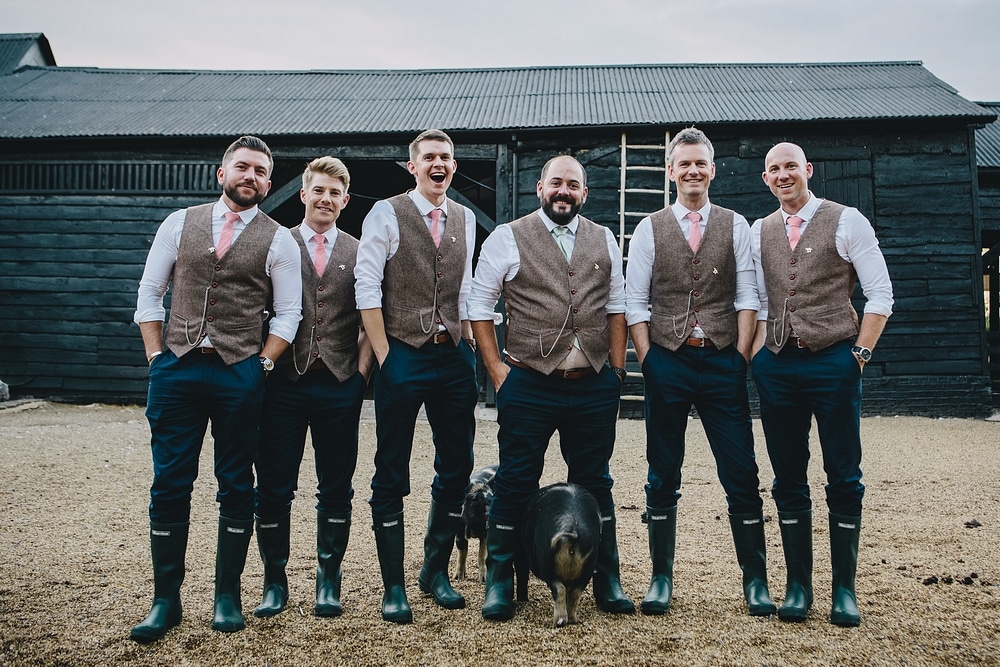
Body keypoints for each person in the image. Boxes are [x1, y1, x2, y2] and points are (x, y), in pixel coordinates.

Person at [130, 135, 303, 642]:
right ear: (221, 174)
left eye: (260, 172)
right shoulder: (179, 222)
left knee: (236, 483)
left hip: (238, 373)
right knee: (169, 484)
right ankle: (166, 600)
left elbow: (289, 311)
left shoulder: (278, 239)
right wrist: (156, 356)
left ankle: (226, 594)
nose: (250, 177)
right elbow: (149, 291)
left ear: (269, 184)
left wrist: (262, 365)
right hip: (177, 369)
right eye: (242, 168)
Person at [469, 154, 634, 622]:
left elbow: (617, 306)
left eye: (573, 185)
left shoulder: (603, 237)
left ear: (584, 193)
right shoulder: (508, 236)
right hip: (530, 382)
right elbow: (479, 305)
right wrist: (498, 370)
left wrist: (617, 371)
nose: (564, 191)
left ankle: (607, 578)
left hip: (593, 384)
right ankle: (499, 579)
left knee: (596, 480)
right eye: (556, 183)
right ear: (540, 188)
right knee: (517, 478)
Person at [625, 128, 775, 617]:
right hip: (667, 359)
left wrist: (742, 356)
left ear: (712, 169)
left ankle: (755, 582)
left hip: (722, 363)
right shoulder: (649, 227)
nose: (692, 171)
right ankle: (660, 579)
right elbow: (635, 300)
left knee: (741, 471)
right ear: (671, 171)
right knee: (662, 470)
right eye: (684, 164)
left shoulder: (737, 226)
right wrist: (648, 359)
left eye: (700, 164)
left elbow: (750, 296)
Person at [750, 142, 893, 627]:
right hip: (776, 366)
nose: (784, 175)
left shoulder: (847, 219)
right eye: (775, 169)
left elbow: (881, 294)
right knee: (788, 476)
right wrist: (755, 358)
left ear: (807, 170)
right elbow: (758, 299)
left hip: (834, 360)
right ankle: (797, 588)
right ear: (766, 179)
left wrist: (859, 356)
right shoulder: (759, 230)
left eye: (791, 166)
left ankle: (844, 591)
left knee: (843, 473)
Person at [353, 129, 479, 624]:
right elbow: (366, 284)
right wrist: (384, 354)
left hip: (452, 357)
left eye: (446, 158)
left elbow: (465, 287)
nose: (439, 164)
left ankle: (435, 569)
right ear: (413, 166)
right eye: (429, 157)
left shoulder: (465, 217)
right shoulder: (387, 212)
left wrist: (466, 337)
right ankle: (393, 586)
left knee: (457, 464)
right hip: (401, 352)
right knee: (392, 468)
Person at [252, 156, 374, 619]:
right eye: (318, 191)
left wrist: (360, 376)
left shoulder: (361, 250)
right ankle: (274, 581)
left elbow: (370, 317)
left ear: (345, 200)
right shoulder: (276, 244)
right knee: (275, 487)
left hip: (339, 385)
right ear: (303, 195)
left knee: (336, 487)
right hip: (283, 385)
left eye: (334, 193)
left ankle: (329, 579)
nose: (326, 199)